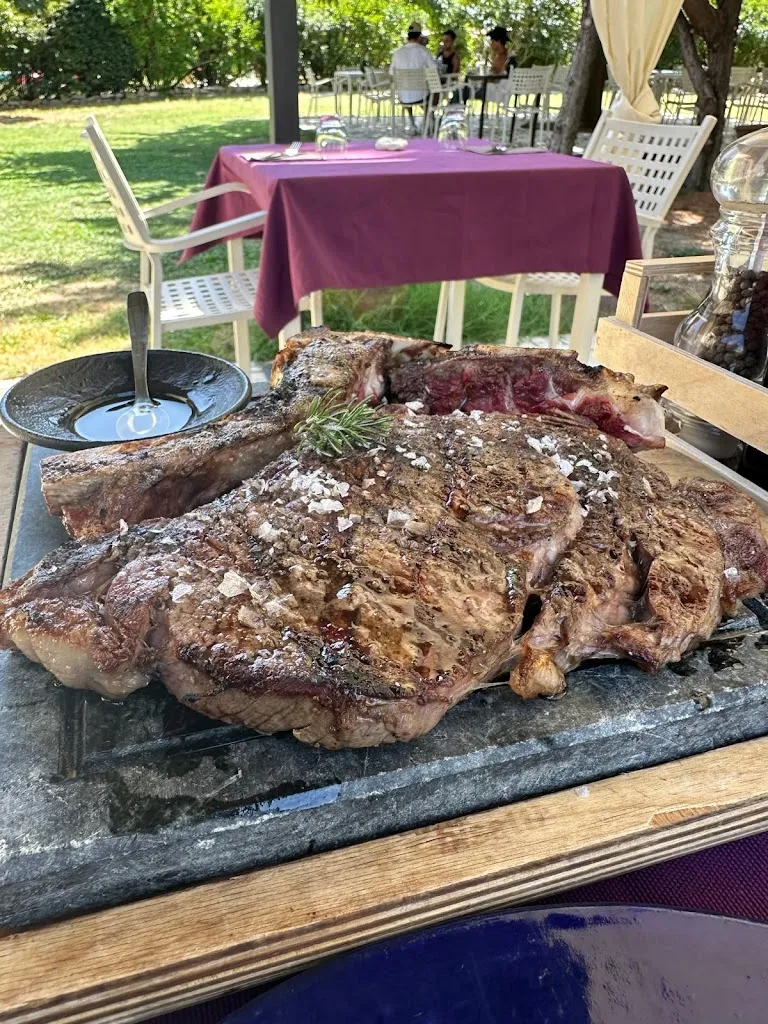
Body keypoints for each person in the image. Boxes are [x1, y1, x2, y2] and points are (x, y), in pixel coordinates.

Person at [391, 27, 434, 129]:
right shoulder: (424, 51)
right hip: (421, 96)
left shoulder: (397, 53)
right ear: (419, 37)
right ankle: (431, 119)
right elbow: (433, 70)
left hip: (403, 97)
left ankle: (411, 122)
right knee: (433, 91)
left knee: (407, 93)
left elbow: (391, 74)